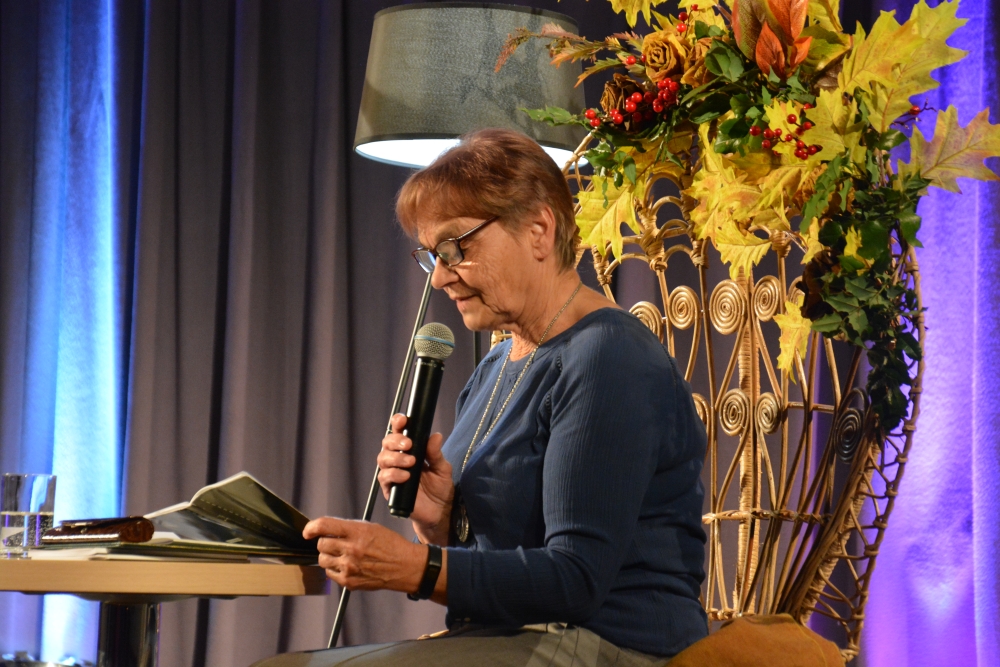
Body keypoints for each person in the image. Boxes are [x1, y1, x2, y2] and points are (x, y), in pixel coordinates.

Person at [254, 129, 708, 666]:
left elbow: (575, 579)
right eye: (431, 256)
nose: (440, 277)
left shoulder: (607, 356)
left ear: (538, 230)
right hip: (512, 639)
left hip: (615, 647)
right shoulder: (496, 365)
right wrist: (442, 522)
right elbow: (510, 555)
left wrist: (414, 566)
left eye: (455, 248)